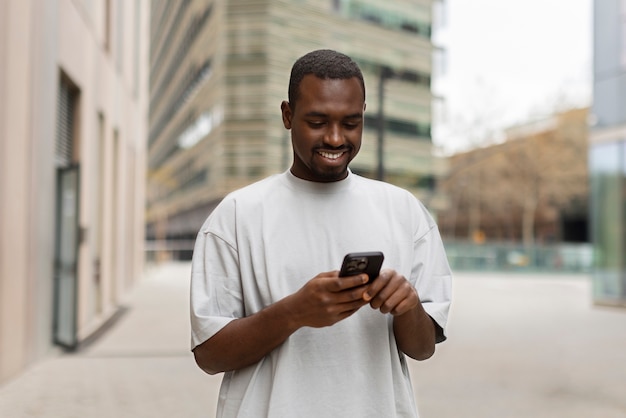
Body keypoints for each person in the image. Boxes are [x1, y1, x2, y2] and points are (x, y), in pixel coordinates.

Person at [190, 49, 452, 417]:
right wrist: (295, 312)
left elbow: (423, 349)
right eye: (317, 121)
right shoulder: (236, 216)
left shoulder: (405, 211)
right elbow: (209, 354)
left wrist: (407, 305)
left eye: (350, 123)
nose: (334, 138)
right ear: (287, 115)